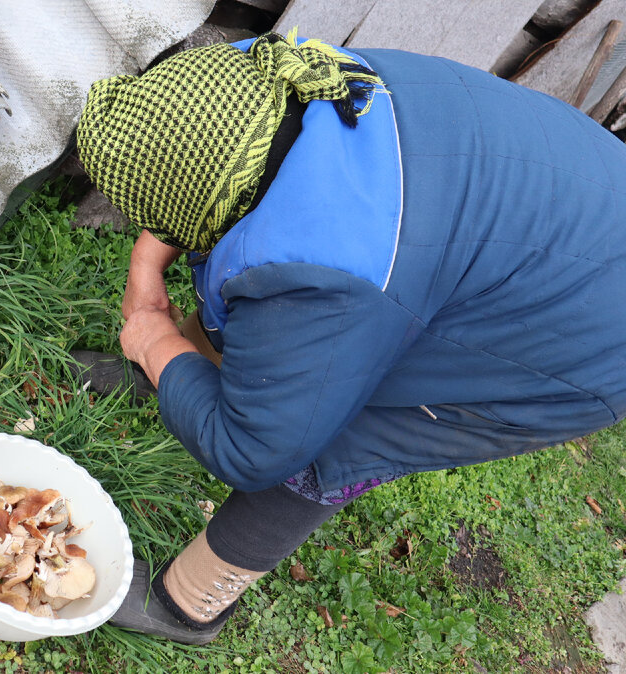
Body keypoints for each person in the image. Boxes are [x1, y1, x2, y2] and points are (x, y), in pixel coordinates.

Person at [71, 30, 626, 644]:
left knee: (337, 435)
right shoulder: (282, 76)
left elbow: (255, 449)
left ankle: (189, 605)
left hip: (590, 345)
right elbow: (204, 185)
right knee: (267, 299)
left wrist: (152, 339)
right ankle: (175, 383)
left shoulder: (332, 275)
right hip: (567, 199)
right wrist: (146, 267)